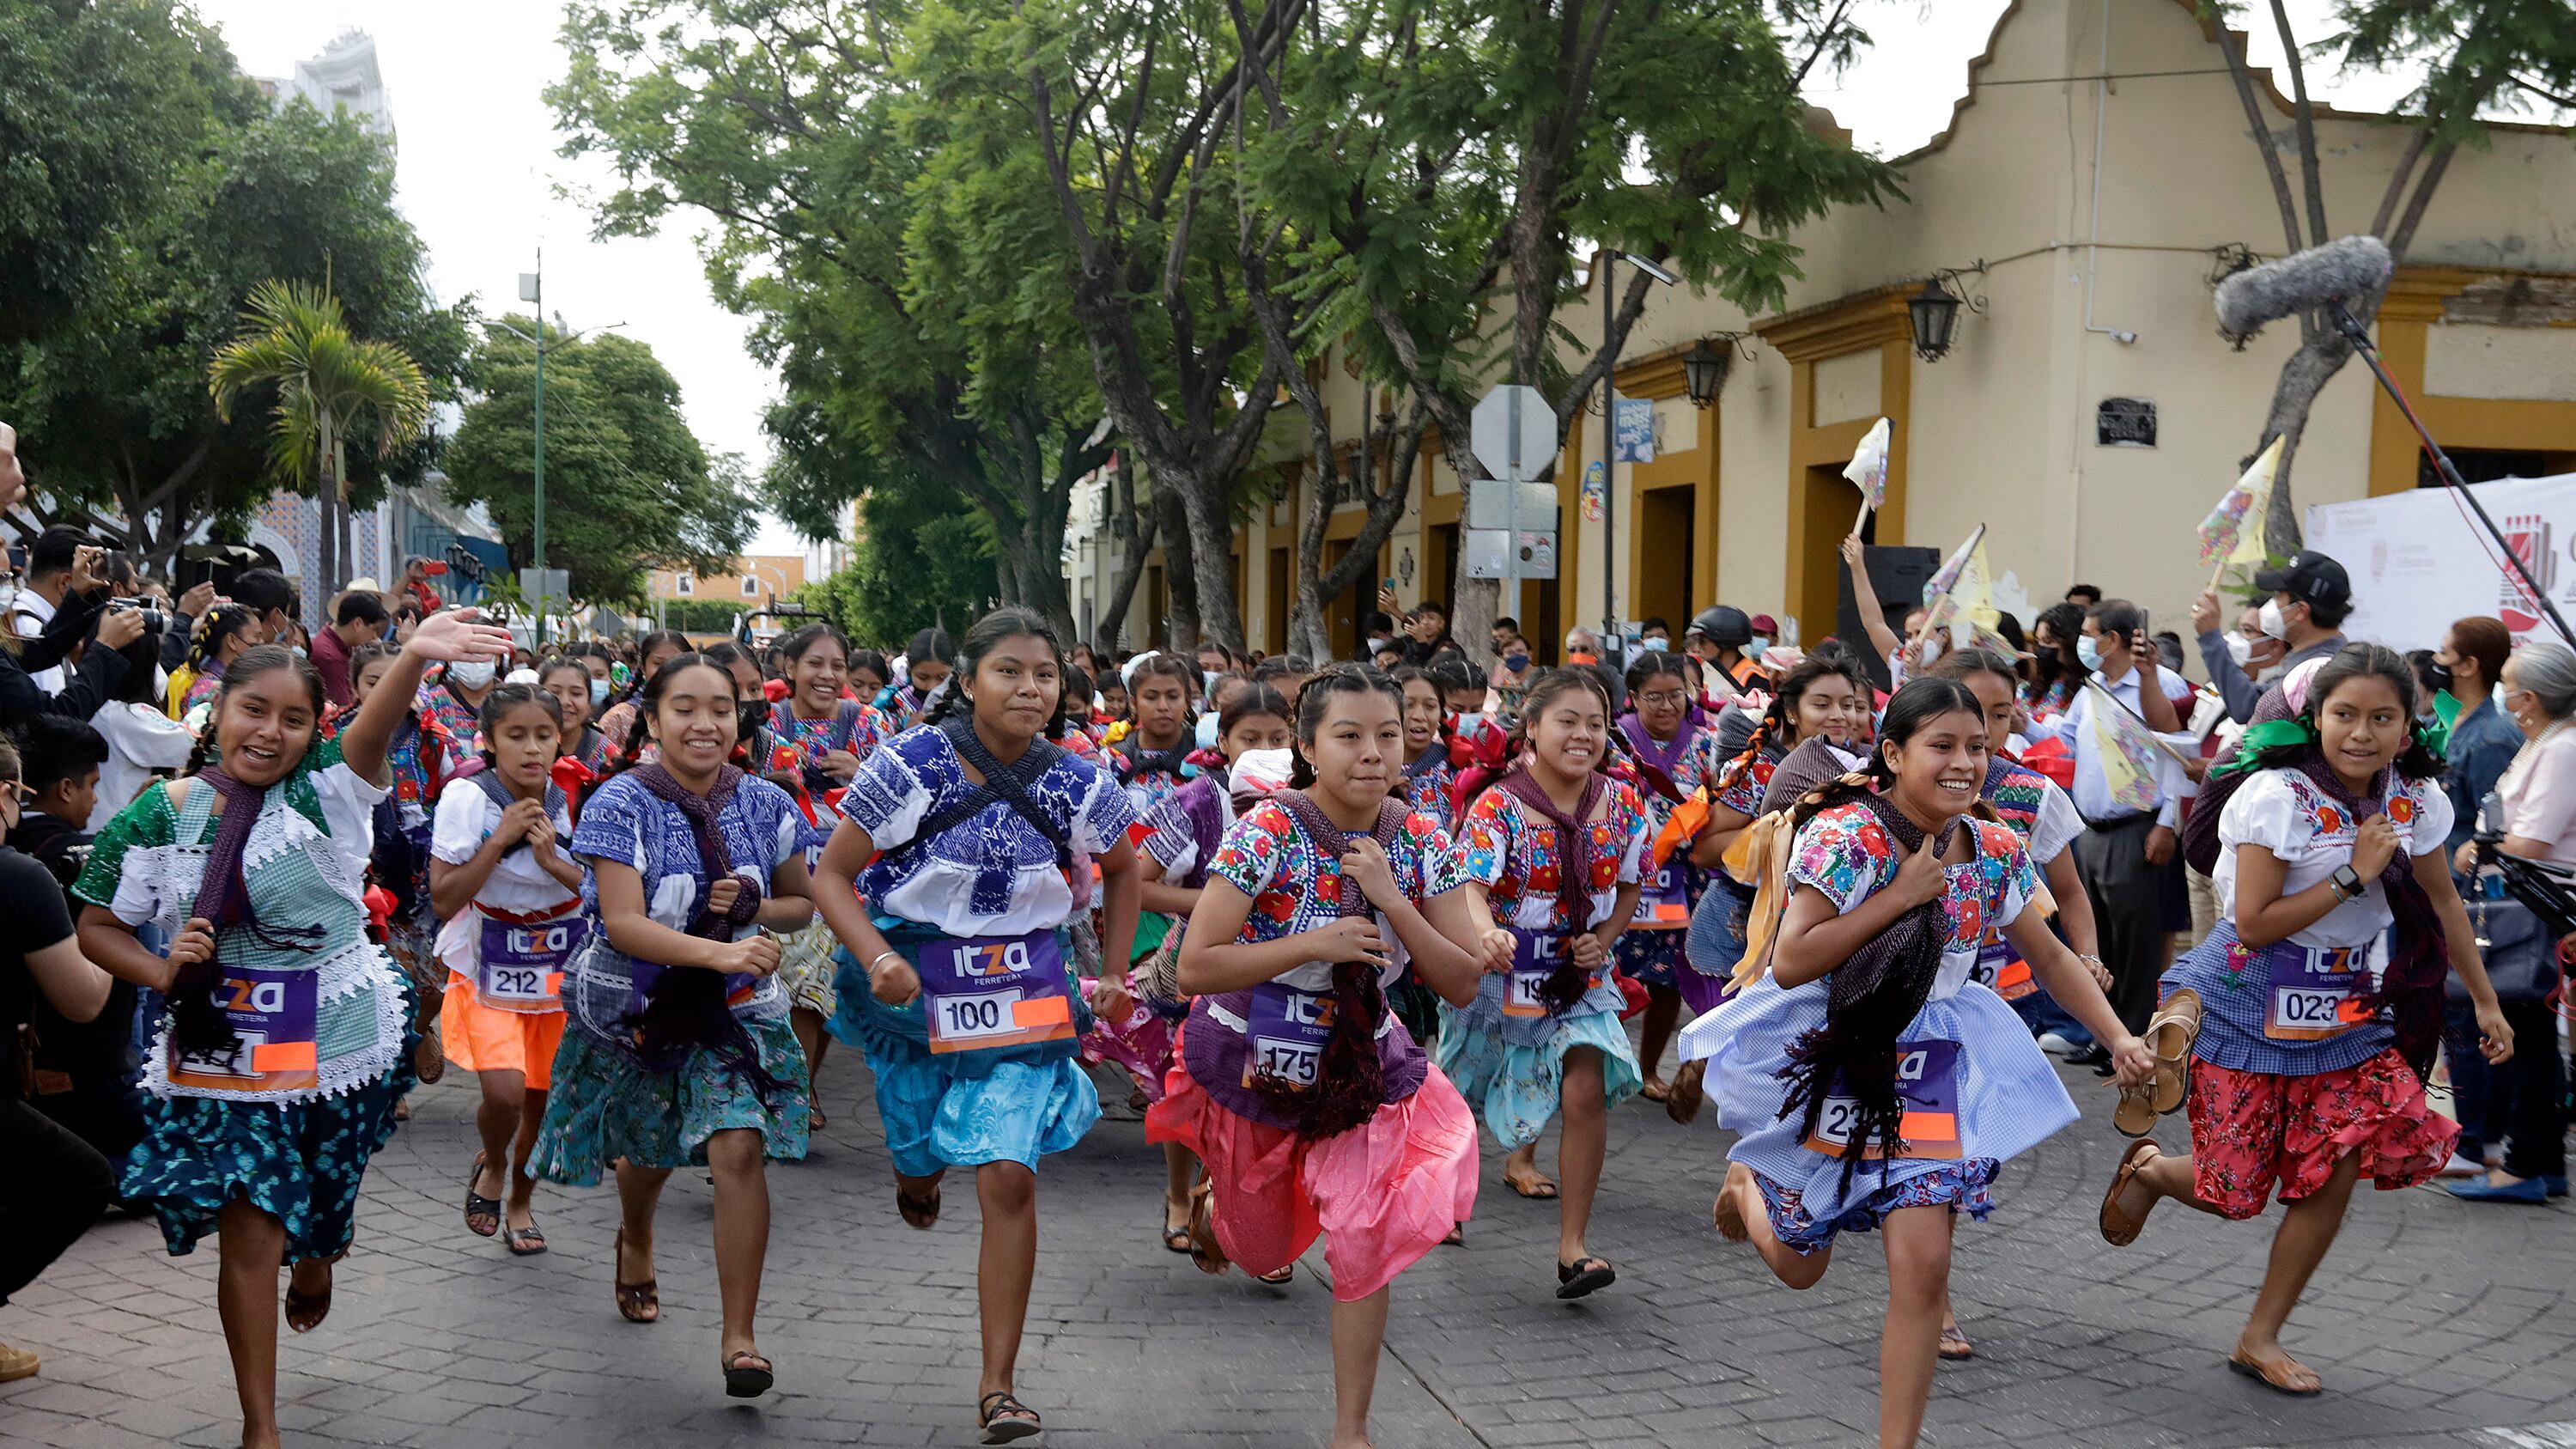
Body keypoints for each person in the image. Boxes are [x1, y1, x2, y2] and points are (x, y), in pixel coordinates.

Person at [75, 612, 513, 1449]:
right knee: (251, 1214)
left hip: (339, 1033)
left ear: (317, 729)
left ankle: (321, 1254)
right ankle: (261, 1428)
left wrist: (416, 654)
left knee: (320, 1206)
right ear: (217, 713)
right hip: (223, 1044)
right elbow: (97, 925)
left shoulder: (330, 786)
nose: (270, 732)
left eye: (294, 717)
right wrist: (163, 972)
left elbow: (375, 722)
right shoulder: (157, 816)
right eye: (253, 710)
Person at [1692, 679, 2150, 1449]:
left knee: (1926, 1261)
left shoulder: (1997, 846)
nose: (1965, 762)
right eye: (1942, 746)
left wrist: (2119, 1036)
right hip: (1836, 1043)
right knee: (1804, 1266)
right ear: (1896, 754)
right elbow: (1797, 957)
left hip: (1932, 1064)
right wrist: (1897, 895)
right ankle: (1748, 1185)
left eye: (1977, 746)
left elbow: (2052, 957)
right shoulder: (1847, 837)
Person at [2102, 644, 2512, 1395]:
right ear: (2315, 718)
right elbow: (2254, 923)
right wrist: (2353, 871)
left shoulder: (2416, 798)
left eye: (2382, 717)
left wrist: (2484, 998)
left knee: (2337, 1163)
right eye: (2345, 715)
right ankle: (2156, 1172)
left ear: (2407, 723)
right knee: (2236, 1188)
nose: (2362, 733)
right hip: (2243, 998)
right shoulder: (2277, 795)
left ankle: (2261, 1335)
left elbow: (2444, 900)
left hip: (2347, 1008)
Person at [816, 607, 1139, 1442]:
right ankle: (916, 1179)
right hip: (912, 982)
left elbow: (1123, 868)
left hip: (1022, 980)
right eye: (1008, 671)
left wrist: (1109, 972)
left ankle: (999, 1386)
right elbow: (833, 873)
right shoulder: (910, 762)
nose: (1030, 687)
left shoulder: (1077, 777)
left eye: (1044, 674)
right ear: (967, 682)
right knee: (923, 1152)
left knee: (1007, 1173)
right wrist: (875, 956)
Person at [1149, 665, 1486, 1449]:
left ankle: (1351, 1431)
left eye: (1388, 734)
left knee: (1363, 1238)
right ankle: (1214, 1210)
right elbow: (1197, 964)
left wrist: (1391, 896)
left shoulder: (1420, 835)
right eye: (1349, 735)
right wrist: (1315, 943)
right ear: (1306, 745)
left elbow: (1464, 981)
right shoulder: (1267, 829)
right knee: (1260, 1247)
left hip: (1361, 1063)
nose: (1372, 753)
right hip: (1251, 1057)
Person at [529, 650, 817, 1397]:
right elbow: (622, 923)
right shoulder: (618, 802)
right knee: (649, 1150)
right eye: (684, 708)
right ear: (652, 721)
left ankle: (740, 1338)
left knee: (737, 1146)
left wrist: (755, 909)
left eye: (720, 707)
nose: (705, 723)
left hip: (736, 1013)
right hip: (637, 1009)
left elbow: (801, 902)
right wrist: (718, 953)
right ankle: (638, 1235)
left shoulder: (767, 802)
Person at [1439, 668, 1648, 1298]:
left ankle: (1574, 1249)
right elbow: (1471, 885)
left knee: (1585, 1088)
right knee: (1461, 1088)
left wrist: (1602, 940)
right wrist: (1486, 934)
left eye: (1596, 724)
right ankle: (1445, 1202)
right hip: (1498, 974)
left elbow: (1633, 881)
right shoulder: (1499, 804)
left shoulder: (1626, 801)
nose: (1583, 735)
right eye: (1568, 721)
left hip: (1578, 977)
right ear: (1531, 729)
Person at [1130, 685, 1295, 1253]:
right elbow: (1138, 882)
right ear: (1222, 741)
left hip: (1280, 974)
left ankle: (1243, 1217)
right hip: (1196, 967)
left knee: (1265, 1093)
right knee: (1190, 1088)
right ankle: (1181, 1194)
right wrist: (1216, 904)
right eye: (1251, 738)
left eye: (1278, 738)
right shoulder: (1198, 801)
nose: (1265, 748)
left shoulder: (1309, 800)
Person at [434, 684, 585, 1254]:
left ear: (560, 737)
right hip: (488, 959)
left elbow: (609, 890)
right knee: (505, 1093)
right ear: (490, 740)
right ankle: (493, 1160)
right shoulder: (467, 798)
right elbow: (444, 897)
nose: (531, 748)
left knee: (541, 1096)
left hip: (560, 962)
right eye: (516, 735)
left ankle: (520, 1200)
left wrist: (552, 860)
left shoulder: (579, 792)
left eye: (543, 734)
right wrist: (497, 841)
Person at [0, 734, 118, 1385]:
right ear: (5, 797)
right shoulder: (20, 876)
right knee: (84, 1179)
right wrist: (108, 936)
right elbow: (80, 1001)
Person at [2445, 639, 2576, 1203]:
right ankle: (2539, 1162)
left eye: (2510, 685)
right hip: (2528, 902)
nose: (2504, 695)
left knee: (2528, 1035)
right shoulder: (2542, 743)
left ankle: (2523, 1164)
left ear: (2532, 697)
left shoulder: (2562, 748)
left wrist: (2480, 844)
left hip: (2542, 904)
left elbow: (2534, 837)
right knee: (2532, 1036)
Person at [2046, 599, 2189, 1032]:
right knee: (2099, 940)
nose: (2082, 642)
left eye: (2089, 634)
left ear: (2112, 639)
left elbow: (2181, 759)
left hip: (2137, 829)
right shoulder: (2093, 687)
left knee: (2136, 944)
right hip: (2090, 831)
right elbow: (2065, 743)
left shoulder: (2164, 685)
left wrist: (2167, 825)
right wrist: (2023, 727)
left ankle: (2136, 1034)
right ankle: (2103, 1035)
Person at [1613, 650, 1723, 1102]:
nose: (1665, 705)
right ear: (1633, 698)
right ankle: (1592, 1062)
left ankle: (1647, 1068)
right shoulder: (1615, 739)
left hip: (1684, 877)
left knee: (1668, 977)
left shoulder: (1706, 742)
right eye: (1653, 697)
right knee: (1607, 970)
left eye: (1674, 695)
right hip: (1620, 875)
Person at [9, 527, 94, 694]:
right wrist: (105, 649)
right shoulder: (32, 629)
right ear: (65, 583)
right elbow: (57, 713)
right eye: (90, 585)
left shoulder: (25, 619)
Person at [1115, 653, 1202, 813]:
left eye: (1173, 697)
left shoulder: (1204, 759)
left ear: (1187, 701)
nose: (1163, 706)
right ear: (1133, 703)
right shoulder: (1114, 761)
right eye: (1151, 697)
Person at [594, 630, 690, 760]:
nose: (668, 669)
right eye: (658, 663)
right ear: (643, 667)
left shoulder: (701, 716)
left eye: (677, 662)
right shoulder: (618, 719)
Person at [176, 603, 264, 718]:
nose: (261, 643)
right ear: (232, 641)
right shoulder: (211, 690)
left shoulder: (224, 683)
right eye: (257, 637)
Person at [310, 591, 390, 709]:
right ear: (358, 624)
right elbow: (344, 709)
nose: (375, 637)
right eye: (374, 630)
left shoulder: (342, 646)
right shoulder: (330, 657)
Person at [539, 656, 614, 772]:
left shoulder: (607, 754)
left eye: (576, 693)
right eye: (555, 693)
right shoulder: (523, 746)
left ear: (589, 702)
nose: (565, 702)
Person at [1688, 606, 1765, 691]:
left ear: (1722, 643)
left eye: (1703, 641)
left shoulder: (1754, 678)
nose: (1698, 648)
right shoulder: (1706, 668)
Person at [894, 625, 957, 722]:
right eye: (922, 678)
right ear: (910, 671)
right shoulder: (895, 706)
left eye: (943, 678)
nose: (932, 687)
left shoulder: (967, 705)